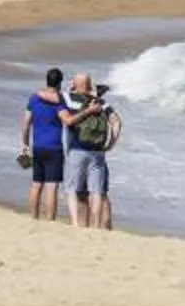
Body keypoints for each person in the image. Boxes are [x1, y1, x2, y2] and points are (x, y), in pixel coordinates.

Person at [63, 73, 121, 230]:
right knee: (97, 191)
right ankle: (96, 226)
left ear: (75, 84)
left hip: (78, 150)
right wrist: (110, 144)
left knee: (74, 190)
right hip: (98, 152)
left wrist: (70, 89)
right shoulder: (102, 103)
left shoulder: (69, 99)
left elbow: (59, 101)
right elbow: (117, 122)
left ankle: (78, 225)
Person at [20, 67, 68, 221]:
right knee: (51, 186)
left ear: (47, 80)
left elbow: (26, 123)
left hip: (37, 146)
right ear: (60, 82)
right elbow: (67, 119)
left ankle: (33, 217)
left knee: (36, 183)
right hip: (54, 147)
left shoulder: (34, 99)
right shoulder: (59, 101)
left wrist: (25, 143)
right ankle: (50, 220)